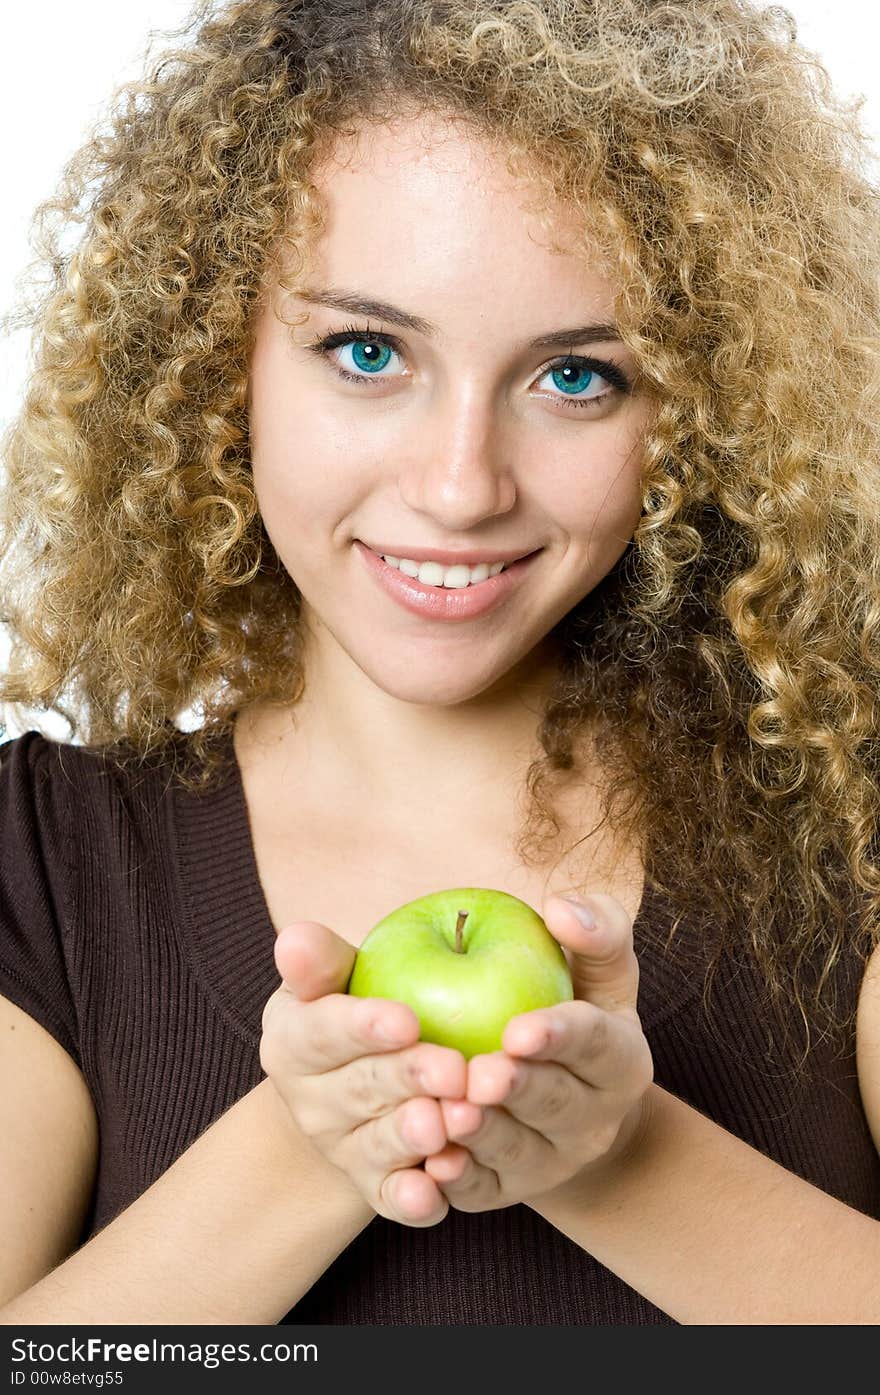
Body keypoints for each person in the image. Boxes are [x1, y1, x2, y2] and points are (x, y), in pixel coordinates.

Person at [0, 0, 878, 1327]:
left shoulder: (855, 826)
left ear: (701, 406)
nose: (461, 488)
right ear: (213, 362)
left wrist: (618, 1156)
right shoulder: (45, 862)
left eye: (578, 378)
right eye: (368, 353)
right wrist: (310, 1148)